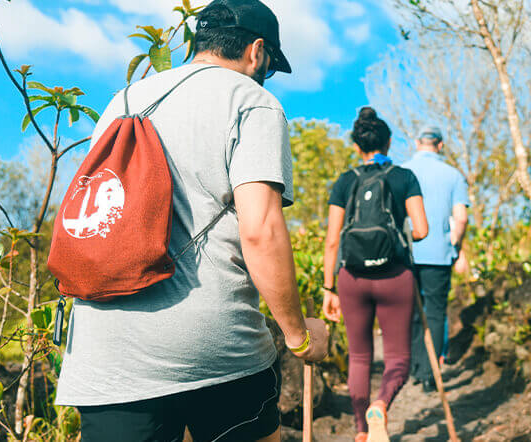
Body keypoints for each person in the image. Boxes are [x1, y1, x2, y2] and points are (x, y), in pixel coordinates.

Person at [53, 1, 329, 441]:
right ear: (257, 51)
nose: (265, 74)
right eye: (270, 65)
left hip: (103, 354)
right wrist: (299, 335)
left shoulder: (122, 101)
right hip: (214, 350)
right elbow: (259, 230)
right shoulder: (250, 99)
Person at [321, 107, 428, 442]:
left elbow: (332, 239)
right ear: (390, 142)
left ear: (357, 146)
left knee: (359, 356)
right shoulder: (404, 176)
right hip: (396, 275)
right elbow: (421, 230)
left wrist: (328, 289)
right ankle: (380, 406)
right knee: (398, 357)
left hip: (351, 278)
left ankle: (361, 431)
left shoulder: (345, 180)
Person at [403, 126, 470, 392]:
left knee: (411, 311)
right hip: (439, 254)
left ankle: (417, 368)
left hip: (406, 253)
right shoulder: (453, 175)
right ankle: (431, 372)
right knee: (435, 310)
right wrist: (456, 245)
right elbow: (461, 218)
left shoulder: (403, 171)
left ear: (417, 142)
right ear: (440, 145)